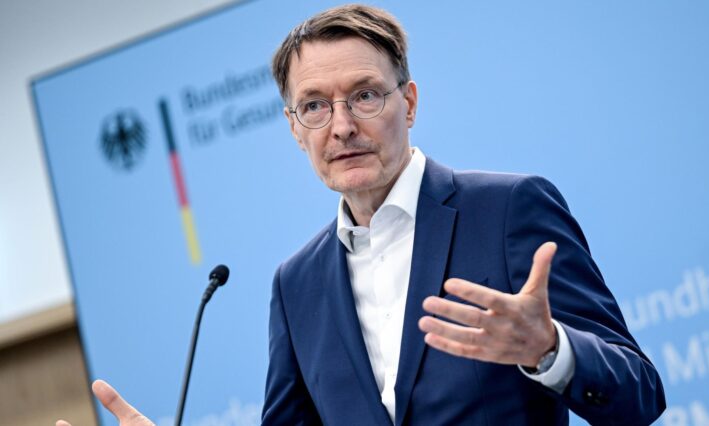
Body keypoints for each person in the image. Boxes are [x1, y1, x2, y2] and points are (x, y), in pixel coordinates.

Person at [58, 4, 665, 426]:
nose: (342, 126)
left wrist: (550, 349)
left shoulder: (507, 210)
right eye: (314, 106)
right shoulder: (296, 284)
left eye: (365, 95)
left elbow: (640, 394)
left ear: (410, 102)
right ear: (295, 129)